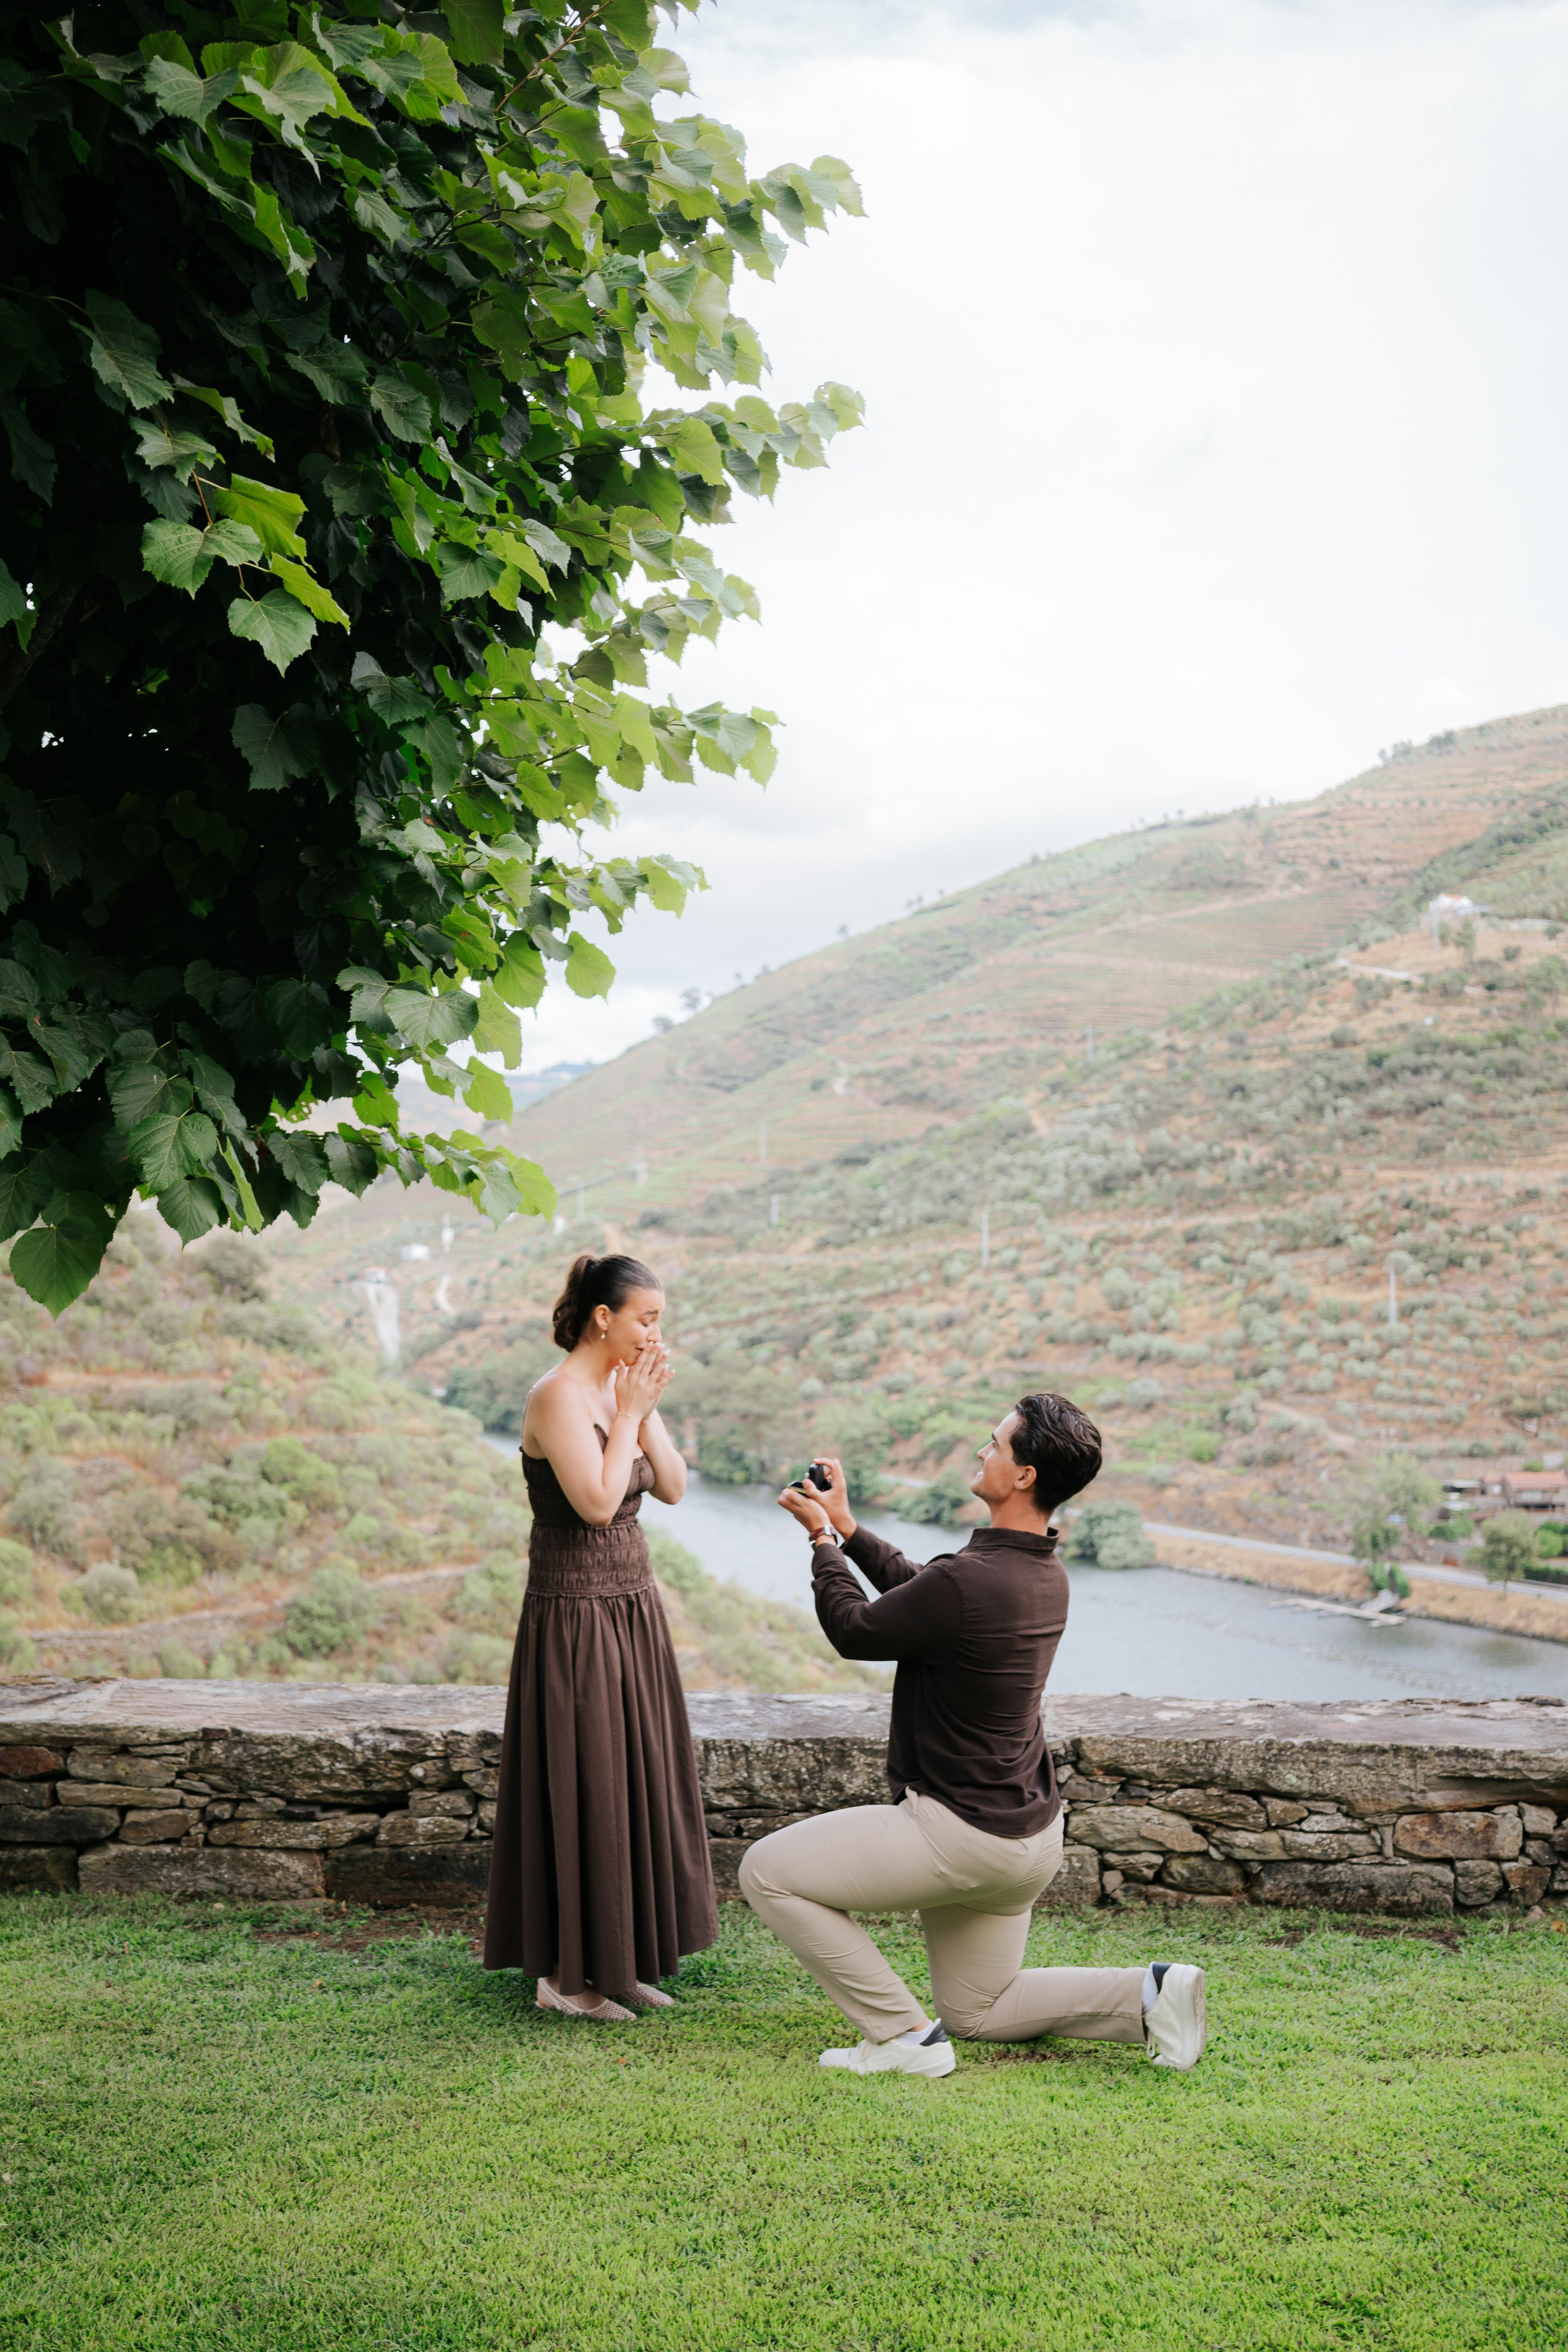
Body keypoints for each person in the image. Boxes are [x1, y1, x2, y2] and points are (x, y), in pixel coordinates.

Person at [739, 1392, 1206, 2078]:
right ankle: (1150, 1993)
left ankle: (902, 2037)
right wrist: (849, 1528)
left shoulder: (971, 1580)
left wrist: (821, 1542)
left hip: (959, 1834)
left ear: (1023, 1475)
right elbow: (927, 1595)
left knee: (767, 1872)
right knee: (979, 2009)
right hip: (1028, 1838)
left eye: (995, 1443)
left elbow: (858, 1629)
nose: (982, 1452)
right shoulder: (1042, 1573)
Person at [483, 1251, 717, 2019]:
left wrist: (642, 1408)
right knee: (587, 1780)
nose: (656, 1333)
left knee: (634, 1772)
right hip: (575, 1611)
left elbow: (672, 1486)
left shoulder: (624, 1387)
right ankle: (564, 1980)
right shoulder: (555, 1396)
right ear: (604, 1317)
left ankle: (620, 1962)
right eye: (647, 1319)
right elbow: (595, 1503)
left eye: (660, 1320)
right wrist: (626, 1415)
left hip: (631, 1601)